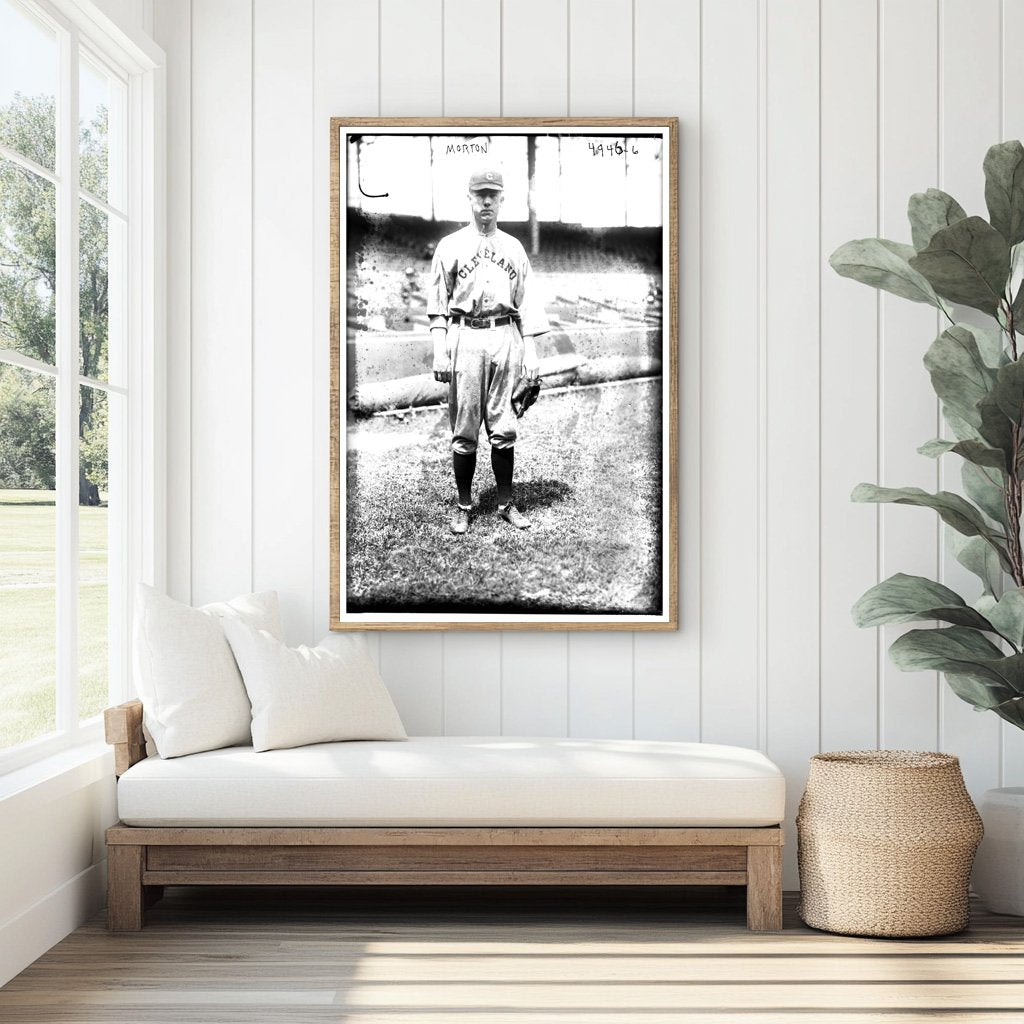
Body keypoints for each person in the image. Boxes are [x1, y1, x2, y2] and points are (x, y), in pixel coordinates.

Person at [428, 166, 550, 535]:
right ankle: (464, 506)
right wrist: (439, 350)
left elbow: (527, 302)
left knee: (504, 426)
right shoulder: (450, 245)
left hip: (506, 336)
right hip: (465, 336)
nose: (486, 201)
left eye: (492, 195)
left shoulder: (514, 247)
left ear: (501, 200)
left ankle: (505, 503)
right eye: (479, 194)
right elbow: (438, 306)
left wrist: (531, 351)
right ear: (469, 198)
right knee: (464, 427)